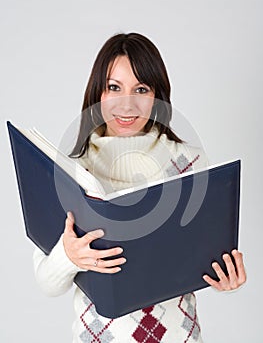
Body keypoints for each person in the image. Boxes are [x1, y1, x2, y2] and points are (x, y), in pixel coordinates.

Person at [33, 32, 246, 343]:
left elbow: (202, 258)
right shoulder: (70, 171)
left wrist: (226, 277)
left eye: (141, 89)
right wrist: (68, 256)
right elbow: (47, 283)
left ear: (157, 96)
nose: (127, 104)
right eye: (114, 87)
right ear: (98, 93)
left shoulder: (189, 163)